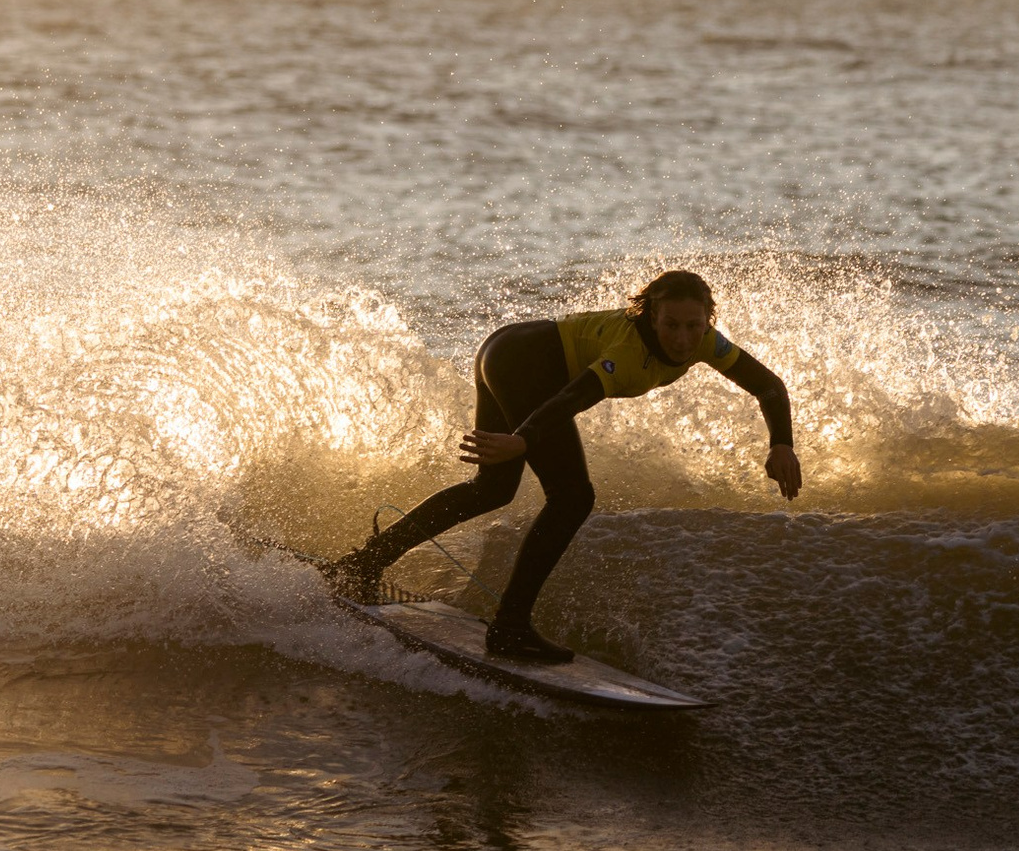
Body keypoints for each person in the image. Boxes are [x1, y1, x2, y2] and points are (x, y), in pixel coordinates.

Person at [327, 270, 800, 663]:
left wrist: (781, 444)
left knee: (490, 490)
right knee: (573, 497)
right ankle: (510, 627)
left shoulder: (706, 343)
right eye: (670, 324)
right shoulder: (629, 357)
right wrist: (523, 440)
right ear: (651, 316)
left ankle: (362, 564)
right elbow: (570, 398)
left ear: (707, 321)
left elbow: (769, 385)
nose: (681, 338)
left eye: (693, 326)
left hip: (505, 350)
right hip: (521, 365)